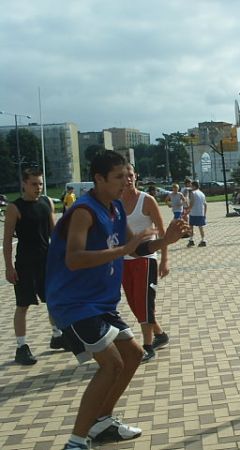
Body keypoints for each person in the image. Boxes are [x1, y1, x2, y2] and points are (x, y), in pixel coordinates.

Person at [45, 151, 187, 450]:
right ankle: (75, 441)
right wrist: (123, 249)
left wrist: (166, 242)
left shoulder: (116, 210)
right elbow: (74, 258)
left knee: (133, 355)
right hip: (74, 304)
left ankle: (102, 422)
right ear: (98, 179)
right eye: (119, 177)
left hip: (100, 304)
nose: (126, 182)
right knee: (111, 365)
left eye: (128, 176)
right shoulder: (84, 211)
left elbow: (136, 248)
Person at [3, 168, 65, 366]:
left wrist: (62, 257)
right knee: (23, 305)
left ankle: (57, 336)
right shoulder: (15, 208)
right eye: (34, 184)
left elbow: (54, 233)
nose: (38, 188)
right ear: (24, 184)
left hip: (46, 261)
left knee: (53, 300)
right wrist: (8, 267)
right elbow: (6, 241)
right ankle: (21, 347)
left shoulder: (46, 203)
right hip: (24, 264)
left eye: (40, 184)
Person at [121, 164, 170, 363]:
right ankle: (160, 334)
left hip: (145, 259)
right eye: (123, 176)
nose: (127, 180)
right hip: (123, 260)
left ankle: (148, 346)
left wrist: (165, 259)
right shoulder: (115, 202)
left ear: (136, 176)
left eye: (130, 175)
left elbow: (162, 231)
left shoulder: (146, 200)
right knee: (134, 303)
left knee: (143, 301)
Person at [187, 181, 207, 247]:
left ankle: (191, 240)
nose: (190, 187)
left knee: (191, 226)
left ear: (194, 186)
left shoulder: (193, 193)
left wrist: (188, 210)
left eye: (191, 186)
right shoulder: (202, 193)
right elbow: (205, 204)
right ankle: (203, 240)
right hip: (200, 212)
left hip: (193, 212)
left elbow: (192, 202)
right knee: (200, 227)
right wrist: (204, 214)